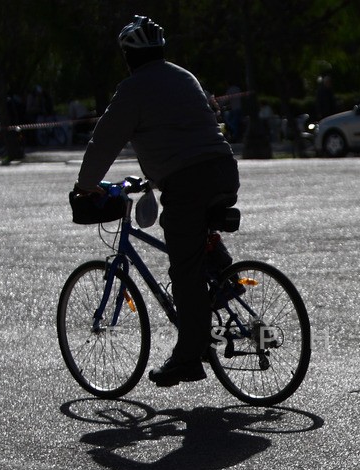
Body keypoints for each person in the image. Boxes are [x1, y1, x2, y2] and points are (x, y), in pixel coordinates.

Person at [73, 15, 240, 387]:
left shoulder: (132, 90)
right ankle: (225, 277)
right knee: (193, 236)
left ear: (128, 57)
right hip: (224, 170)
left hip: (189, 180)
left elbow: (105, 140)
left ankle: (188, 358)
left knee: (183, 267)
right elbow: (191, 126)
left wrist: (86, 183)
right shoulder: (185, 76)